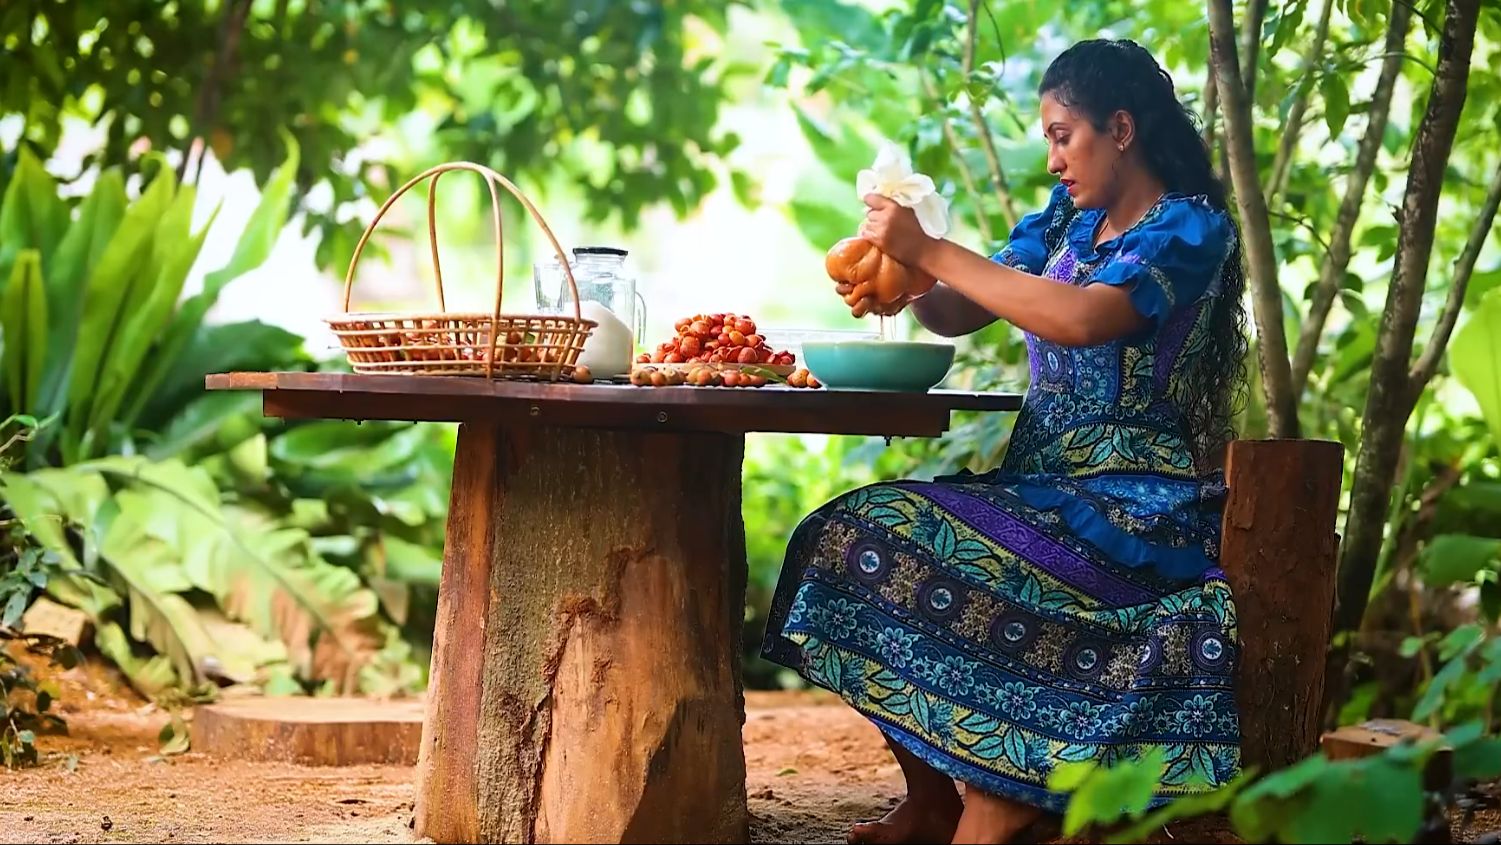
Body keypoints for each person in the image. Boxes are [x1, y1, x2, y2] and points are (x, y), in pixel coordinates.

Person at [760, 38, 1248, 845]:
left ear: (1119, 128)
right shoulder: (1063, 219)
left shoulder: (1188, 231)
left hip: (1133, 504)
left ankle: (1007, 788)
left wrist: (931, 250)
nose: (1053, 155)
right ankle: (932, 800)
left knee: (911, 538)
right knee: (843, 535)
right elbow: (955, 309)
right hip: (1042, 482)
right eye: (1049, 136)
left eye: (1063, 134)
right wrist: (904, 274)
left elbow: (1082, 316)